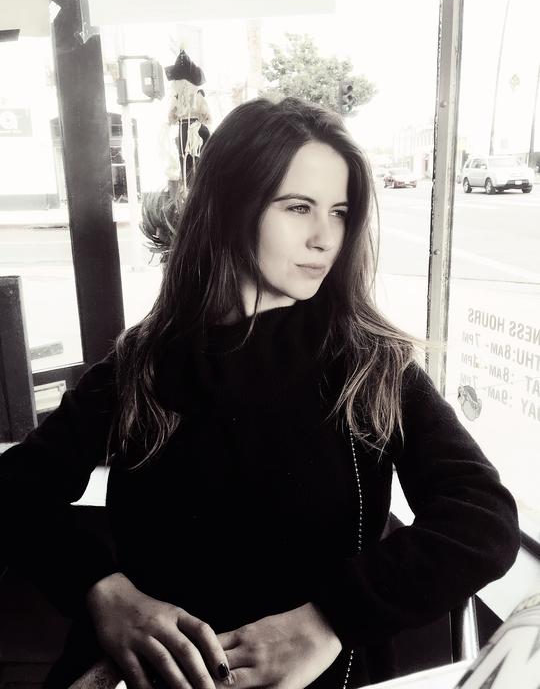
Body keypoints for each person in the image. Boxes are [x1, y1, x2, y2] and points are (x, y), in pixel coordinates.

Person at [0, 97, 520, 689]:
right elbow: (15, 493)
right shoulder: (142, 364)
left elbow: (483, 519)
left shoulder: (371, 364)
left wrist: (328, 620)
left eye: (340, 212)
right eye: (298, 207)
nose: (325, 238)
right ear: (230, 206)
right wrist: (104, 590)